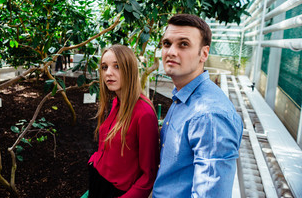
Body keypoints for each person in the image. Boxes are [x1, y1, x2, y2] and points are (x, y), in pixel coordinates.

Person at [152, 14, 243, 197]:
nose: (171, 52)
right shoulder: (184, 96)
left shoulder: (209, 116)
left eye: (183, 44)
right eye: (167, 43)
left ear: (204, 53)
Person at [88, 44, 160, 198]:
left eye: (117, 66)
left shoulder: (144, 113)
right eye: (104, 67)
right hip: (98, 181)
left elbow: (149, 175)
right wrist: (94, 161)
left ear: (130, 69)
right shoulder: (116, 101)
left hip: (118, 192)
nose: (108, 73)